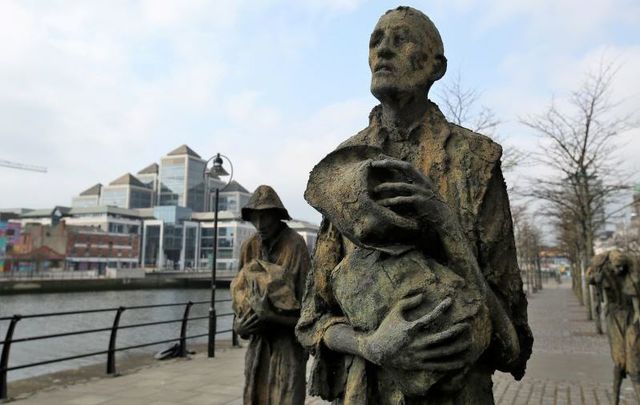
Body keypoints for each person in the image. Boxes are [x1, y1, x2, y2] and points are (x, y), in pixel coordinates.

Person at [296, 6, 533, 404]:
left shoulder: (476, 160)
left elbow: (511, 343)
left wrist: (445, 225)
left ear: (436, 67)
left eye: (401, 39)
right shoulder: (343, 166)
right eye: (375, 42)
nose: (383, 51)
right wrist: (370, 345)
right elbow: (312, 320)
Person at [231, 185, 310, 405]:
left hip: (287, 346)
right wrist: (239, 326)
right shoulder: (249, 247)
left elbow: (308, 313)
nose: (260, 225)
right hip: (258, 346)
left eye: (265, 217)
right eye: (255, 218)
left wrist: (273, 317)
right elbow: (239, 295)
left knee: (285, 397)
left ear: (277, 215)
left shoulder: (295, 245)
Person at [590, 251, 640, 405]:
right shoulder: (603, 270)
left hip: (632, 318)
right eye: (616, 266)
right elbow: (591, 278)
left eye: (620, 267)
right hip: (614, 318)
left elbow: (635, 296)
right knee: (619, 361)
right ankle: (614, 398)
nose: (618, 270)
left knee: (634, 361)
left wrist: (638, 312)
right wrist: (596, 281)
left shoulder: (632, 270)